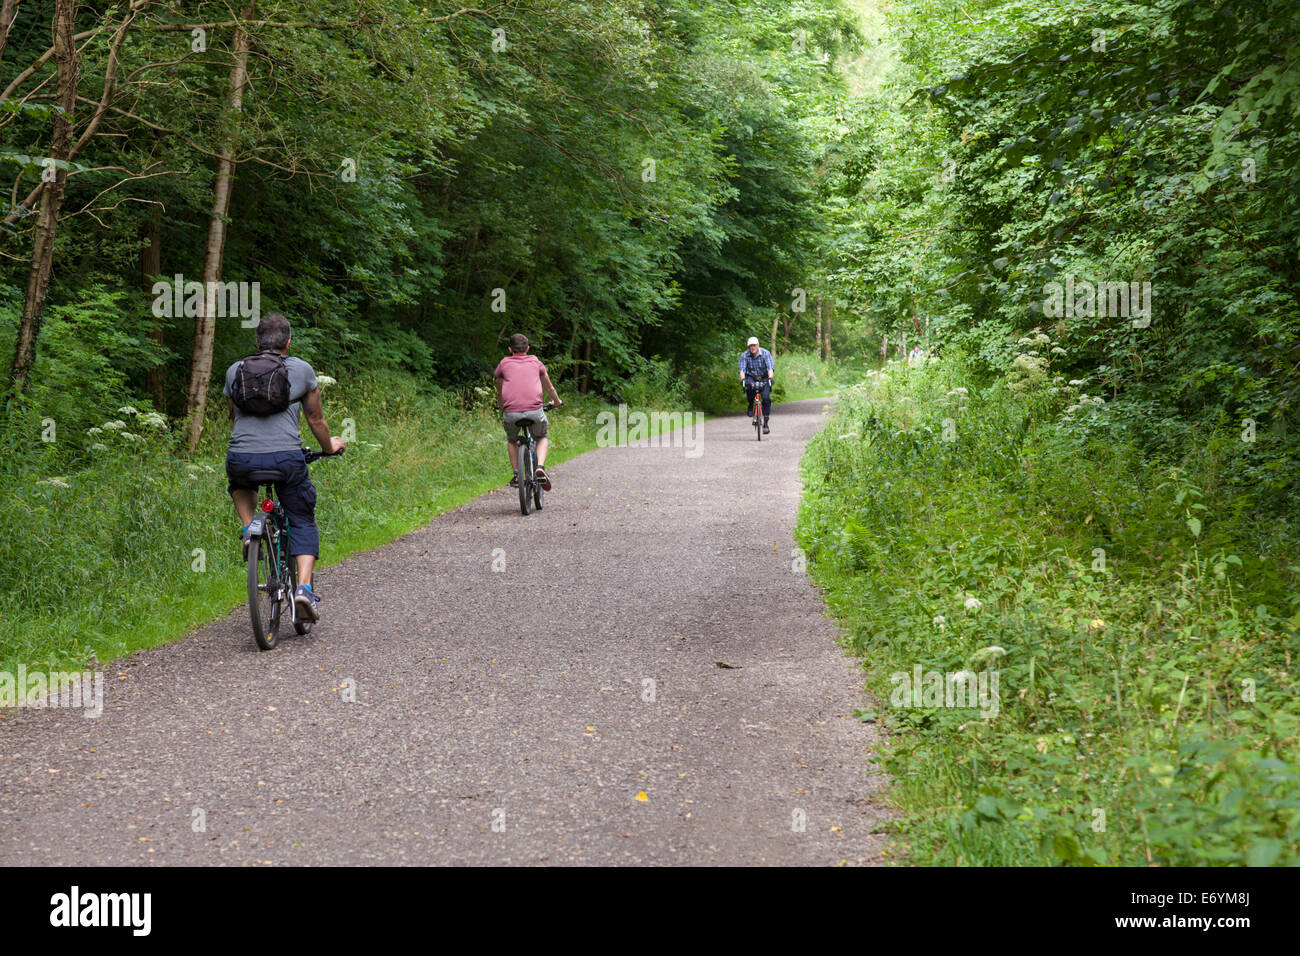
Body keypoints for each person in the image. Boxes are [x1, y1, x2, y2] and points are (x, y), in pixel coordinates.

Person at [223, 313, 344, 623]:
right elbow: (316, 420)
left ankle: (251, 528)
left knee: (239, 484)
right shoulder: (302, 370)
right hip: (286, 459)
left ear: (257, 342)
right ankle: (303, 590)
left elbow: (233, 417)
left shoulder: (235, 371)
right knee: (302, 518)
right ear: (288, 342)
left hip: (242, 457)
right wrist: (329, 447)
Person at [495, 333, 562, 489]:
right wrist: (557, 402)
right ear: (528, 348)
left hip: (511, 412)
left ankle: (517, 474)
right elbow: (549, 387)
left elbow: (499, 391)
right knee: (542, 436)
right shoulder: (535, 362)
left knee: (512, 440)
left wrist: (502, 406)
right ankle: (540, 467)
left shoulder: (503, 364)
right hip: (534, 411)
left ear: (510, 348)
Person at [738, 335, 774, 433]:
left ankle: (766, 423)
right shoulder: (744, 355)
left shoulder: (766, 353)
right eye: (750, 346)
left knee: (766, 398)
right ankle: (750, 405)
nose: (752, 348)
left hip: (764, 377)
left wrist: (770, 378)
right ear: (748, 347)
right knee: (749, 390)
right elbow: (742, 369)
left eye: (754, 345)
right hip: (751, 377)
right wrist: (743, 379)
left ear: (758, 345)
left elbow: (770, 368)